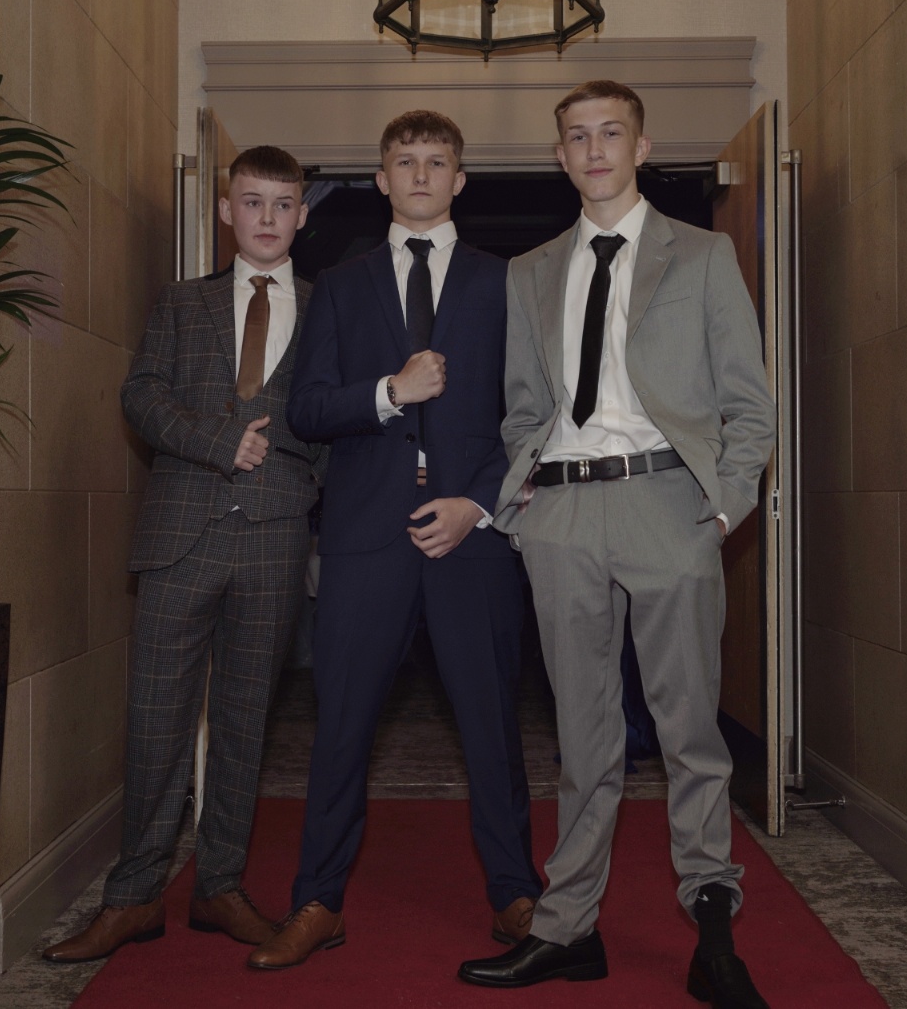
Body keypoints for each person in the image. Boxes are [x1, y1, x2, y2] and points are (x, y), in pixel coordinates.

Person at [457, 81, 777, 1008]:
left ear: (641, 147)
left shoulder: (704, 254)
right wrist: (524, 507)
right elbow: (524, 405)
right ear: (560, 155)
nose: (594, 149)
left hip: (668, 505)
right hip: (561, 515)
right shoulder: (530, 270)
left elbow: (749, 404)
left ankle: (713, 929)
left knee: (689, 730)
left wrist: (723, 508)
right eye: (577, 136)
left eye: (610, 133)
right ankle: (568, 928)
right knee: (583, 736)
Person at [247, 110, 542, 970]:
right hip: (365, 539)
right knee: (340, 728)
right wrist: (388, 391)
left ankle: (515, 893)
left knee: (491, 725)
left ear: (460, 179)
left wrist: (477, 504)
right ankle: (318, 900)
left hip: (472, 539)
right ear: (381, 179)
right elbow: (307, 409)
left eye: (436, 161)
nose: (419, 174)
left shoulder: (506, 282)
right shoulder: (340, 285)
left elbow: (534, 415)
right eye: (404, 161)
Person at [44, 146, 321, 964]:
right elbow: (141, 394)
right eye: (253, 201)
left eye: (283, 203)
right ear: (227, 211)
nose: (267, 217)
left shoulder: (327, 307)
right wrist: (215, 441)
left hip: (275, 535)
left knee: (244, 720)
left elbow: (334, 417)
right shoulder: (180, 302)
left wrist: (308, 488)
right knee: (155, 718)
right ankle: (132, 896)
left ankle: (219, 886)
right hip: (179, 534)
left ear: (302, 216)